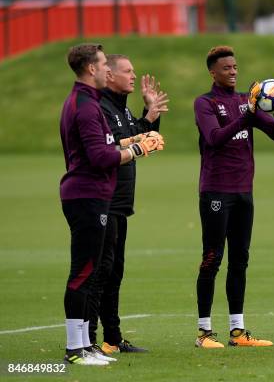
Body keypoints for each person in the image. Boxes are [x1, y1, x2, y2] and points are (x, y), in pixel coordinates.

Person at [60, 44, 164, 365]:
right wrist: (138, 149)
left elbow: (115, 141)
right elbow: (102, 156)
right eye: (105, 64)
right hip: (88, 195)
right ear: (92, 69)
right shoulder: (89, 106)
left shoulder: (89, 102)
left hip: (98, 195)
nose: (108, 70)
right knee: (87, 273)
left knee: (98, 271)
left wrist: (141, 132)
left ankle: (88, 345)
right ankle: (78, 347)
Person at [193, 46, 274, 348]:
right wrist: (246, 116)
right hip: (216, 192)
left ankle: (238, 331)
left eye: (235, 67)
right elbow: (214, 139)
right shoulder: (205, 103)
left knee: (240, 260)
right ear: (213, 72)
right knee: (212, 259)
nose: (233, 72)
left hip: (243, 193)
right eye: (226, 68)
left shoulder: (244, 102)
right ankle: (204, 332)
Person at [87, 54, 169, 356]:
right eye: (128, 71)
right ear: (109, 76)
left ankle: (112, 338)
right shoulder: (102, 108)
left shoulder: (120, 108)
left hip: (120, 204)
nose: (134, 76)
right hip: (103, 201)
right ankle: (90, 340)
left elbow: (139, 136)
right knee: (100, 271)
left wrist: (150, 115)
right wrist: (146, 121)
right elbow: (118, 142)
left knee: (114, 271)